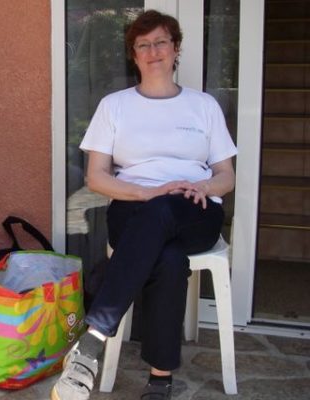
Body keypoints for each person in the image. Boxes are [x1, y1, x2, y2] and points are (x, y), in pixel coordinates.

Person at [51, 10, 236, 400]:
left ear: (176, 49)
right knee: (167, 259)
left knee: (167, 210)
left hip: (193, 209)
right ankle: (159, 378)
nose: (153, 51)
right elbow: (96, 177)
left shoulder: (203, 106)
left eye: (161, 42)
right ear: (133, 55)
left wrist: (202, 186)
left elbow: (226, 175)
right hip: (134, 206)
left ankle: (93, 339)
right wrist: (149, 192)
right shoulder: (115, 106)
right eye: (143, 45)